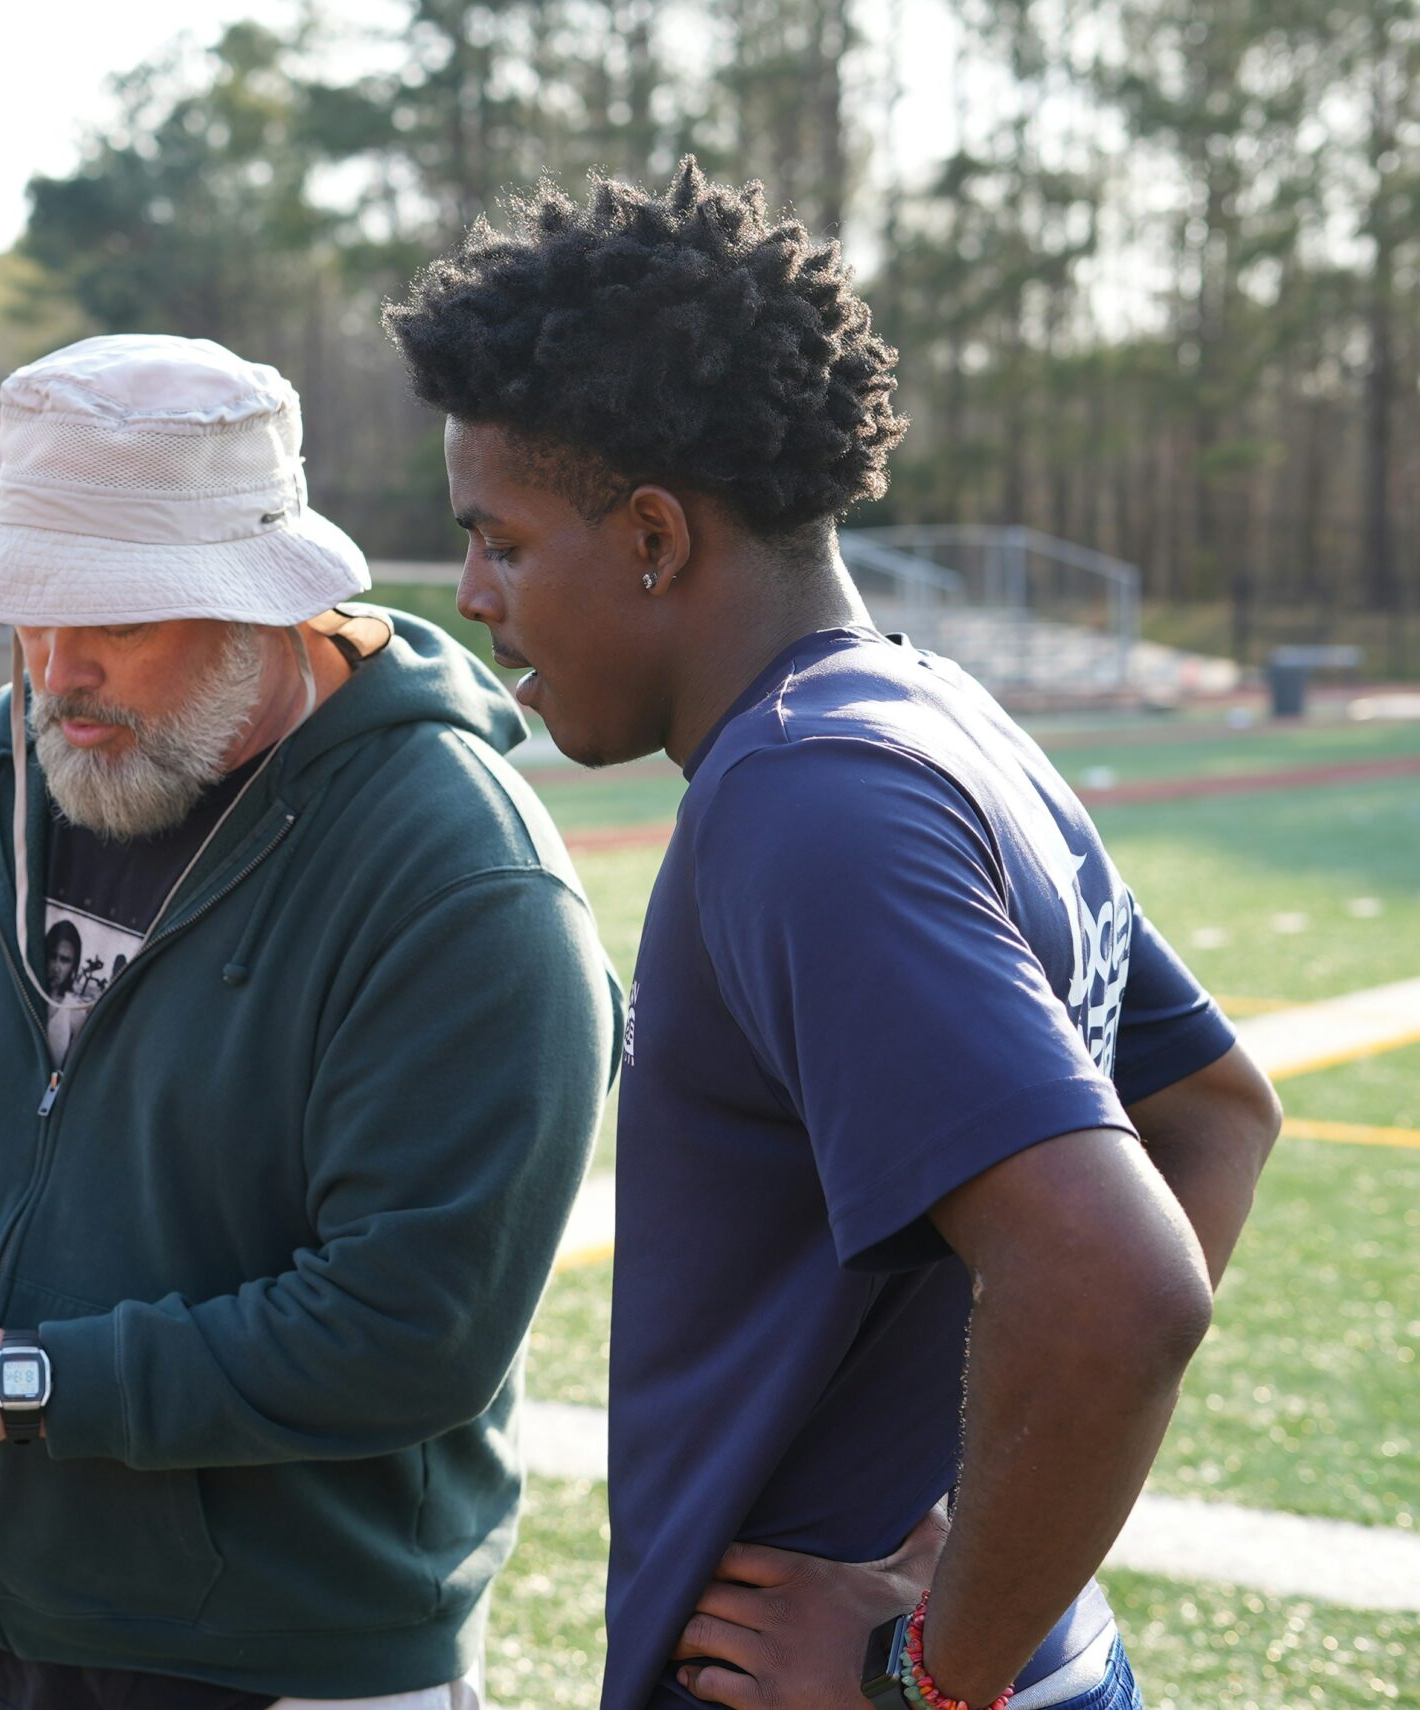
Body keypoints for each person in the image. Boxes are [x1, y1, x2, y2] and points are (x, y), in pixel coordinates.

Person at [384, 163, 1283, 1710]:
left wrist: (927, 1669)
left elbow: (1120, 1283)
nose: (472, 593)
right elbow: (1213, 1112)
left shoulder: (806, 798)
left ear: (653, 536)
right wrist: (973, 1554)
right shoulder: (934, 713)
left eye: (502, 542)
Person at [0, 334, 620, 1709]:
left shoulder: (460, 878)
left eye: (117, 619)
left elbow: (411, 1328)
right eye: (29, 611)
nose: (57, 669)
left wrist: (18, 1380)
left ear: (265, 602)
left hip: (297, 1669)